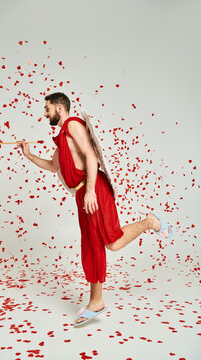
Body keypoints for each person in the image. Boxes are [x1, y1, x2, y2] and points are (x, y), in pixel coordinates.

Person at [17, 92, 173, 326]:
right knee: (96, 244)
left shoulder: (73, 125)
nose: (45, 113)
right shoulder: (62, 136)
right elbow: (53, 166)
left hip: (92, 190)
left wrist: (90, 190)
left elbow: (91, 156)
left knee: (110, 242)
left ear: (60, 108)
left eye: (47, 108)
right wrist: (29, 156)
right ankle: (96, 301)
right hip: (83, 194)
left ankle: (150, 223)